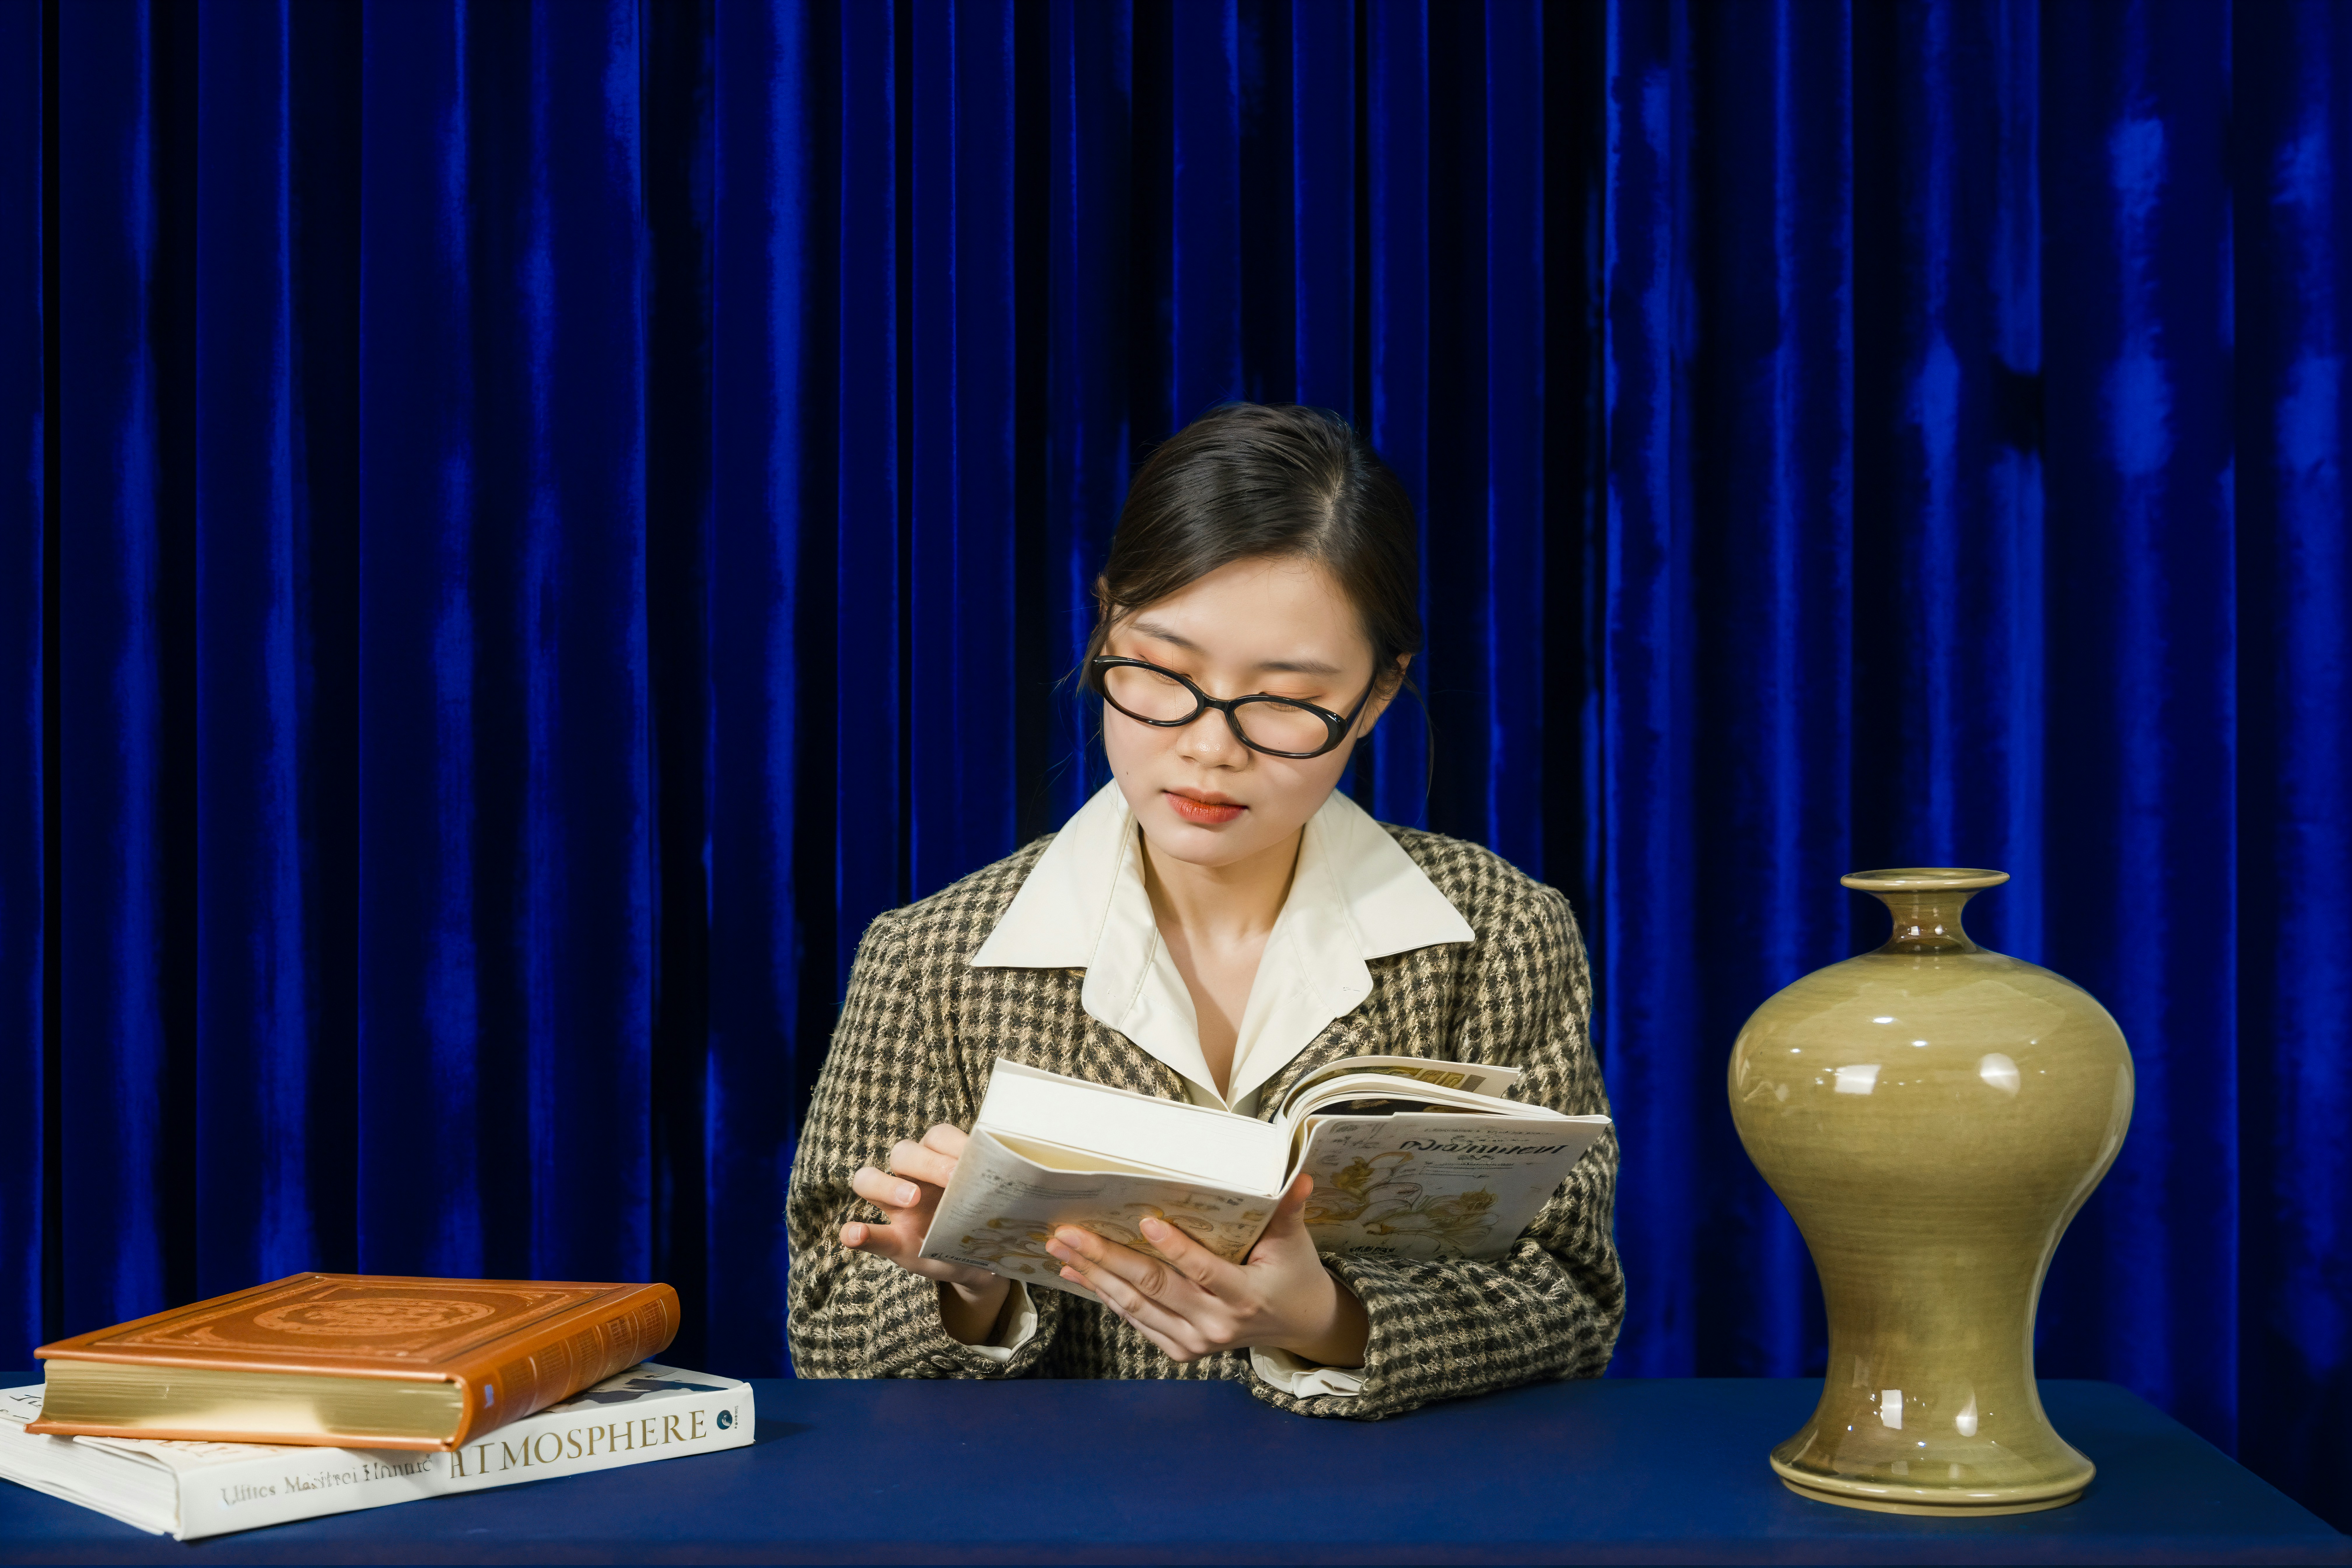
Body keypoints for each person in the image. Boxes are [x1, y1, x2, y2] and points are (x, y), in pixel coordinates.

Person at [785, 402, 1623, 1418]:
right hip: (1060, 1506)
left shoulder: (1497, 935)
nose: (1210, 748)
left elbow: (1572, 1301)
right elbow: (826, 1325)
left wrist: (1329, 1319)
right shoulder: (930, 959)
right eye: (1164, 673)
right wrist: (967, 1286)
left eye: (1285, 699)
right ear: (1105, 627)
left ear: (1376, 695)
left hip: (1389, 1502)